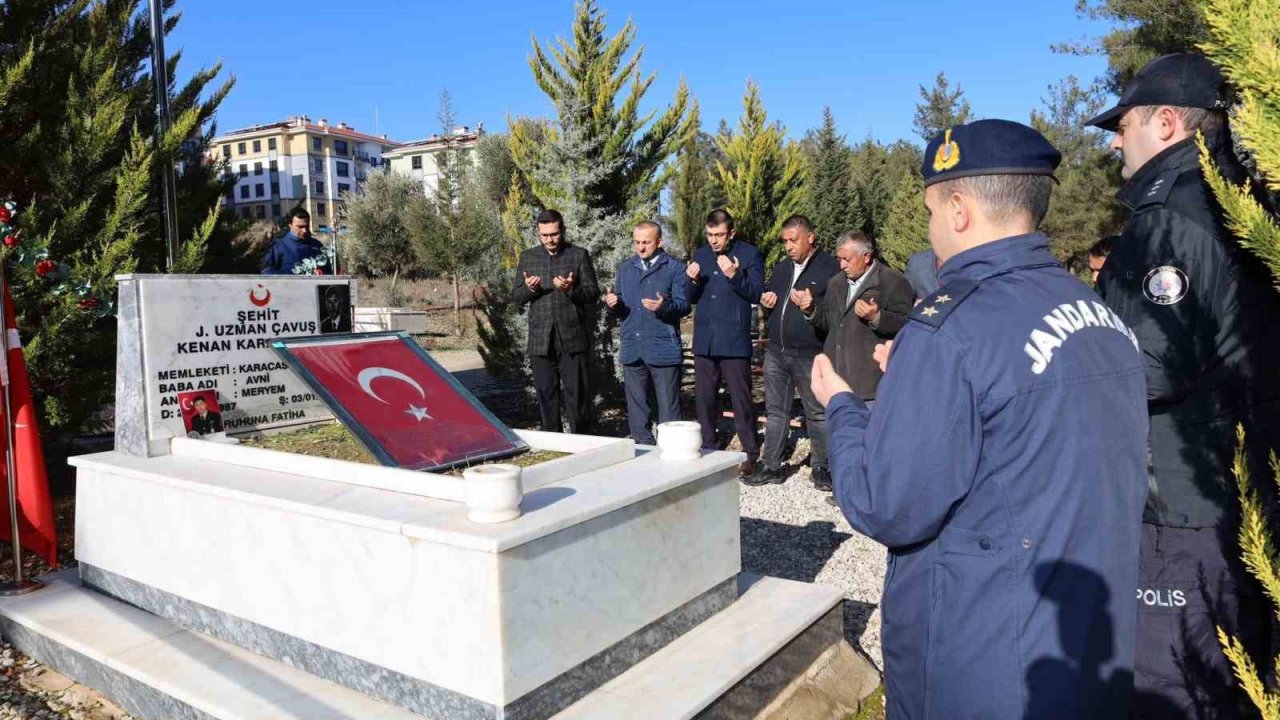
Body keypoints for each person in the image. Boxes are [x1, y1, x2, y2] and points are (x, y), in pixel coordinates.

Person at [812, 119, 1149, 718]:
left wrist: (841, 407)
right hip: (1087, 638)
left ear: (960, 209)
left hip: (986, 657)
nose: (932, 226)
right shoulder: (1091, 308)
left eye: (933, 209)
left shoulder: (949, 327)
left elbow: (887, 503)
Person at [1086, 52, 1280, 718]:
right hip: (1240, 488)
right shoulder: (1241, 205)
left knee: (1175, 686)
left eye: (1125, 125)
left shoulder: (1170, 219)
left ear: (1166, 123)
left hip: (1183, 505)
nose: (1115, 141)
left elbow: (1146, 365)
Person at [750, 214, 841, 487]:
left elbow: (834, 313)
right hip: (777, 351)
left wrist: (812, 307)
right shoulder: (780, 269)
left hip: (810, 352)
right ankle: (772, 465)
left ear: (810, 238)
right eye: (785, 241)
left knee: (816, 412)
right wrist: (766, 303)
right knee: (776, 410)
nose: (788, 246)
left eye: (794, 240)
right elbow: (773, 305)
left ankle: (822, 467)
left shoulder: (830, 269)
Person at [687, 208, 765, 478]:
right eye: (710, 235)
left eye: (719, 235)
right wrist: (692, 280)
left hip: (734, 340)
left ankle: (749, 454)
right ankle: (709, 445)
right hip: (705, 341)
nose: (714, 241)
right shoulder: (701, 255)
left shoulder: (749, 254)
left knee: (741, 400)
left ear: (731, 233)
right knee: (705, 400)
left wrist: (735, 276)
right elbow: (690, 297)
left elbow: (757, 292)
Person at [512, 209, 601, 434]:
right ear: (538, 233)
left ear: (562, 230)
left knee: (578, 397)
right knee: (546, 396)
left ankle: (582, 444)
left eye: (554, 234)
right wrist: (530, 289)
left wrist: (571, 289)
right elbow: (516, 297)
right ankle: (553, 444)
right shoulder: (528, 257)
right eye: (545, 235)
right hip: (541, 340)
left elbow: (592, 294)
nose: (550, 240)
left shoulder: (578, 255)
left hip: (572, 338)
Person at [604, 221, 690, 445]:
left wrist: (663, 307)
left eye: (646, 242)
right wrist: (613, 304)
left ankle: (673, 451)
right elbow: (622, 307)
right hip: (633, 348)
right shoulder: (625, 268)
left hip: (663, 349)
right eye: (637, 242)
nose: (641, 247)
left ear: (659, 242)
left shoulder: (675, 268)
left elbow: (684, 306)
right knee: (637, 409)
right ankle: (643, 451)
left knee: (669, 410)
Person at [263, 208, 328, 275]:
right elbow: (267, 272)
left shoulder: (317, 245)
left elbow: (328, 270)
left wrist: (320, 271)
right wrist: (289, 279)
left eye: (307, 226)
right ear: (290, 225)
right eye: (300, 227)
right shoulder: (277, 246)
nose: (304, 230)